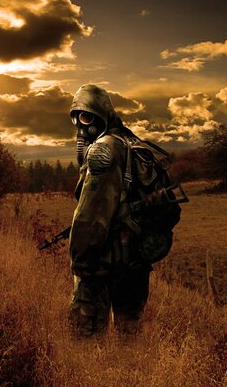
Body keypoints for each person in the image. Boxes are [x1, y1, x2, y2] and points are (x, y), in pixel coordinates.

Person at [68, 84, 151, 336]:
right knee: (130, 337)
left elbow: (91, 215)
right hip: (136, 262)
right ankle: (130, 375)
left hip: (102, 266)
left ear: (100, 115)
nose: (82, 126)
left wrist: (81, 261)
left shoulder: (104, 149)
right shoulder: (132, 143)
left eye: (86, 116)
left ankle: (93, 376)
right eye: (78, 118)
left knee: (85, 340)